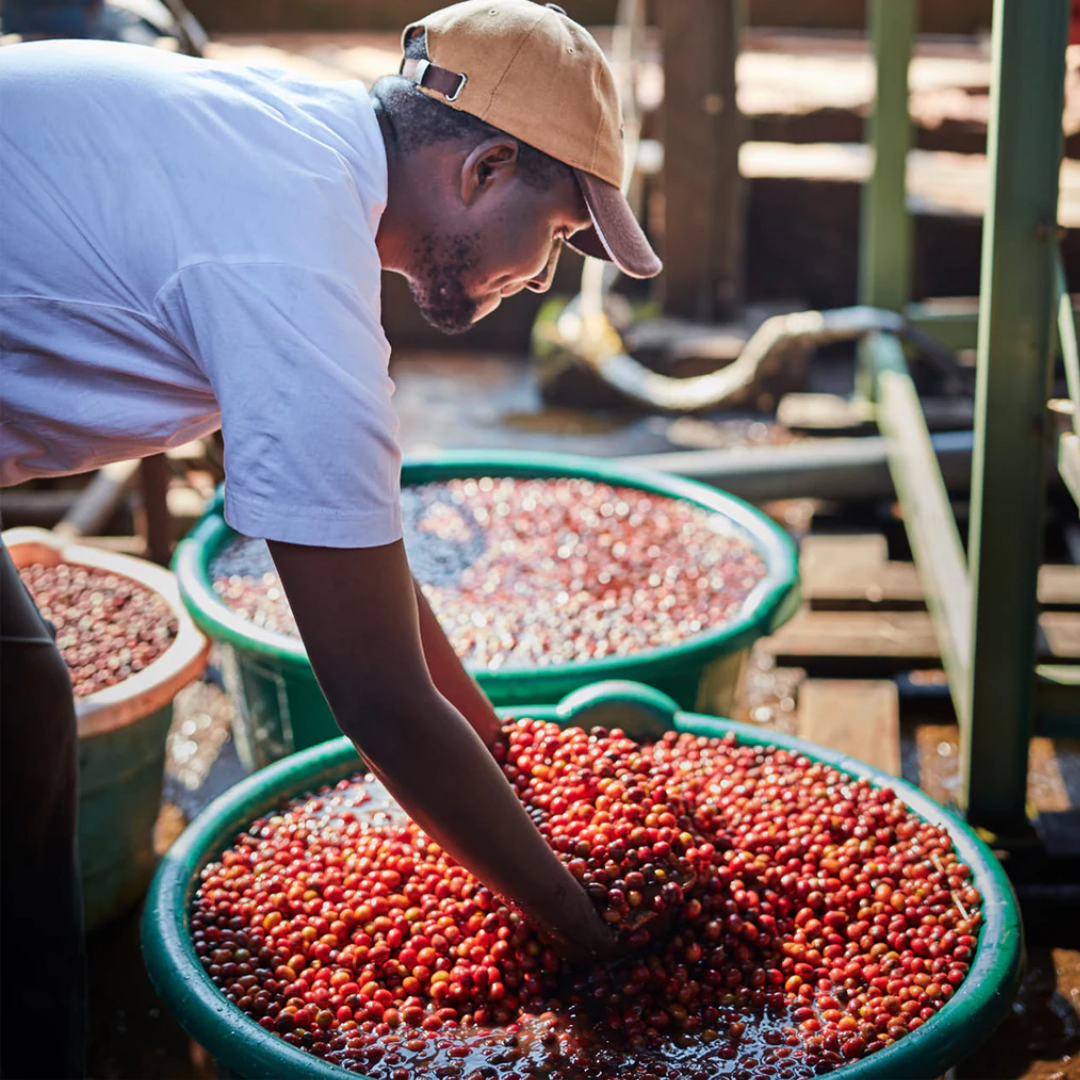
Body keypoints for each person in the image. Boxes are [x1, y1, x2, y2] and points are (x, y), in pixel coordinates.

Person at [0, 1, 662, 1074]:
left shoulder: (303, 147)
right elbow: (380, 701)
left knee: (22, 705)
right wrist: (584, 927)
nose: (543, 281)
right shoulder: (294, 263)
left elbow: (370, 567)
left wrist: (501, 754)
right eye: (554, 236)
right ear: (486, 169)